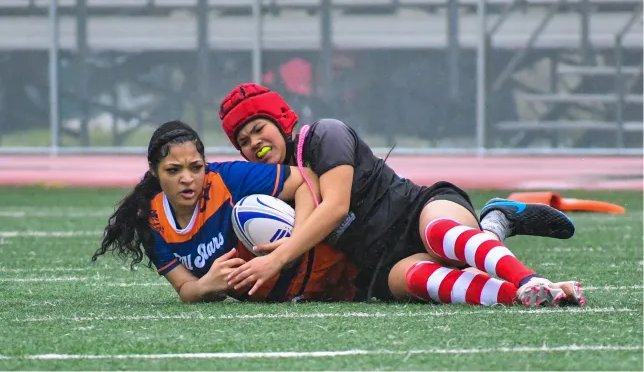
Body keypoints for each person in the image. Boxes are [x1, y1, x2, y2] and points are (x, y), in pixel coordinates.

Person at [218, 83, 585, 307]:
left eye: (258, 129)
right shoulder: (276, 191)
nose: (254, 144)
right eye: (244, 142)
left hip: (417, 211)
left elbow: (335, 208)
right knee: (421, 281)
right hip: (383, 264)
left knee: (442, 236)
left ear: (281, 118)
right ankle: (531, 293)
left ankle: (529, 279)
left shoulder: (324, 135)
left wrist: (276, 259)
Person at [91, 120, 358, 303]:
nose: (188, 178)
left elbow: (306, 178)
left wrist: (293, 244)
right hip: (273, 301)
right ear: (154, 172)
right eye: (173, 170)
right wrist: (207, 284)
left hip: (335, 271)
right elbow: (185, 288)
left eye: (196, 167)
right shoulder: (151, 221)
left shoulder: (227, 178)